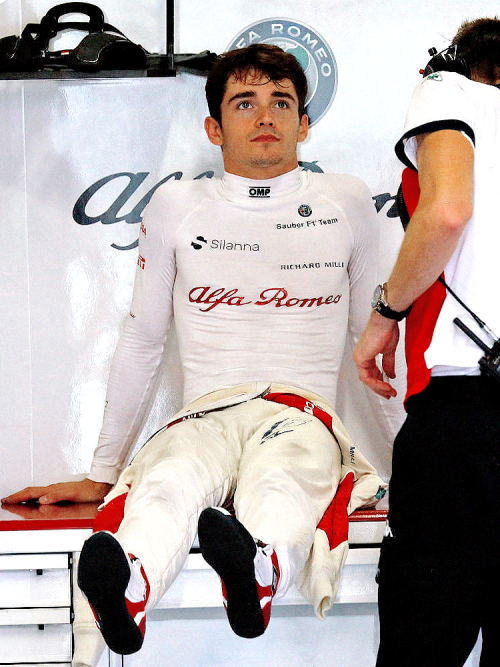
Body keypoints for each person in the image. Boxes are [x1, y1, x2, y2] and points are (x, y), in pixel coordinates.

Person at [3, 44, 396, 660]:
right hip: (202, 415)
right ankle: (129, 585)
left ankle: (258, 569)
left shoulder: (345, 202)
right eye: (245, 102)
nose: (265, 116)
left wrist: (414, 464)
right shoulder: (177, 206)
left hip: (301, 413)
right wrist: (103, 474)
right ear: (214, 127)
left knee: (282, 482)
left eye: (281, 102)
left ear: (305, 123)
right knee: (166, 481)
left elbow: (373, 344)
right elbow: (141, 339)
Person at [353, 18, 500, 667]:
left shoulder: (450, 93)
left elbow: (446, 210)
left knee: (423, 644)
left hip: (471, 411)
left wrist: (386, 312)